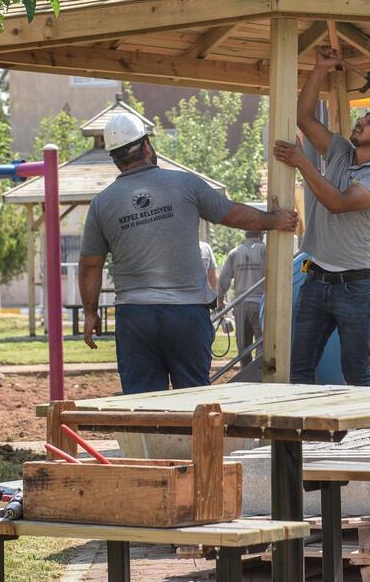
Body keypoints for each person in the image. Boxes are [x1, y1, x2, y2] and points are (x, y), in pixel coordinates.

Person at [79, 112, 297, 393]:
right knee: (194, 399)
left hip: (135, 318)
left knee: (144, 404)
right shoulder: (185, 184)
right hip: (186, 314)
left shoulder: (102, 204)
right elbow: (231, 215)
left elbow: (90, 265)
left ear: (115, 158)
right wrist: (274, 220)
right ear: (147, 146)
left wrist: (90, 313)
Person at [273, 52, 370, 385]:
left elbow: (337, 203)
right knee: (300, 371)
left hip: (356, 287)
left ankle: (360, 438)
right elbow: (302, 116)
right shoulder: (339, 151)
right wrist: (320, 68)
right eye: (367, 115)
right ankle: (300, 438)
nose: (363, 120)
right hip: (317, 279)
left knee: (355, 376)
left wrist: (302, 161)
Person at [218, 230, 266, 357]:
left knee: (243, 346)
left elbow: (224, 279)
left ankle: (246, 374)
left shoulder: (234, 252)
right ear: (261, 234)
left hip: (240, 305)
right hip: (260, 305)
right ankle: (259, 374)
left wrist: (220, 300)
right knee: (262, 344)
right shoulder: (265, 251)